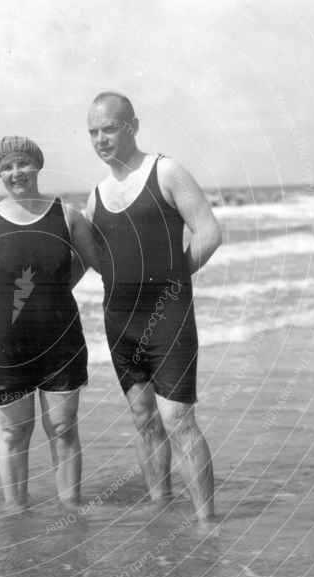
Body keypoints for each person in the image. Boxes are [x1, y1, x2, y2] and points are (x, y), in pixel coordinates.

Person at [83, 92, 222, 520]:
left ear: (133, 126)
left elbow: (209, 233)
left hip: (169, 317)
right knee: (144, 417)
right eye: (93, 132)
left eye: (109, 128)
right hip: (120, 321)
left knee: (177, 417)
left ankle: (206, 523)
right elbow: (98, 259)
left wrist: (173, 283)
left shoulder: (165, 170)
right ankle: (161, 510)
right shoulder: (96, 195)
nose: (101, 139)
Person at [0, 136, 101, 510]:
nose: (16, 173)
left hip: (61, 340)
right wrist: (0, 324)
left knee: (63, 429)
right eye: (6, 167)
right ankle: (16, 512)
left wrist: (54, 291)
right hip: (5, 348)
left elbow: (91, 261)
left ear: (37, 166)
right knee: (14, 431)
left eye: (23, 163)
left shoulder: (68, 215)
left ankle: (71, 511)